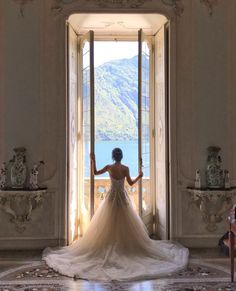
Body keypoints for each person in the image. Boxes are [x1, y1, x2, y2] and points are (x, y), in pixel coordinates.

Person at [43, 148, 188, 281]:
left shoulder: (109, 167)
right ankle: (124, 248)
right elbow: (131, 184)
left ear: (113, 156)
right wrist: (140, 176)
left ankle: (111, 245)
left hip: (111, 198)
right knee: (125, 226)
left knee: (108, 225)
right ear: (121, 156)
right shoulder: (125, 168)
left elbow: (95, 173)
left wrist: (93, 160)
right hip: (123, 199)